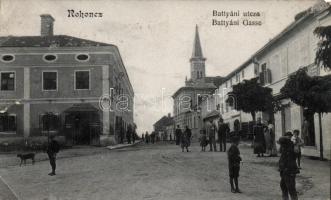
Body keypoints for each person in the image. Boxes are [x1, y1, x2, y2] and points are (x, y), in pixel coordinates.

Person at [278, 132, 299, 200]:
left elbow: (290, 161)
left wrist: (286, 169)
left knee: (291, 188)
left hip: (289, 171)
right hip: (284, 170)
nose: (281, 145)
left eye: (281, 144)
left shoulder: (289, 149)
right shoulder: (285, 148)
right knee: (283, 186)